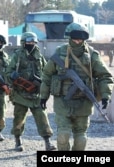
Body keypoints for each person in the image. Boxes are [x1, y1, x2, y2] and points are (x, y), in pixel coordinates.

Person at [40, 22, 114, 151]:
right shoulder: (60, 52)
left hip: (83, 102)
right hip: (62, 101)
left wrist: (105, 96)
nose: (78, 41)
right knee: (63, 135)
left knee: (81, 138)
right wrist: (43, 96)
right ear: (68, 37)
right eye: (75, 38)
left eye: (81, 39)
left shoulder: (92, 55)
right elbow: (47, 75)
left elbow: (105, 76)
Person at [6, 32, 56, 152]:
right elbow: (7, 72)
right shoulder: (17, 56)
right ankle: (18, 141)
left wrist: (44, 84)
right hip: (20, 94)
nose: (31, 44)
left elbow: (47, 71)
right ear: (23, 43)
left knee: (42, 118)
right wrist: (12, 76)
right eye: (28, 42)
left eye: (33, 42)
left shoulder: (39, 55)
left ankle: (47, 142)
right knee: (19, 119)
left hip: (36, 94)